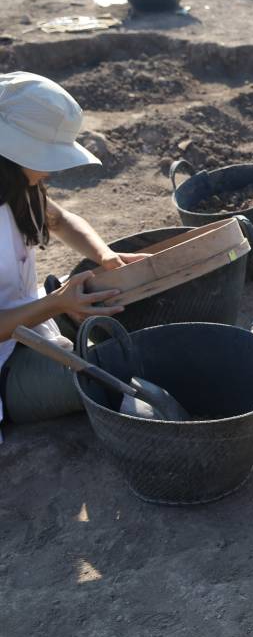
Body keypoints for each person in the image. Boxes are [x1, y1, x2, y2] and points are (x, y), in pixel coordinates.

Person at [0, 72, 147, 430]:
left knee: (122, 298)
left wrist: (105, 256)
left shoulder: (17, 187)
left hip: (30, 323)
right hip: (4, 369)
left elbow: (60, 220)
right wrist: (57, 303)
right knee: (116, 373)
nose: (51, 170)